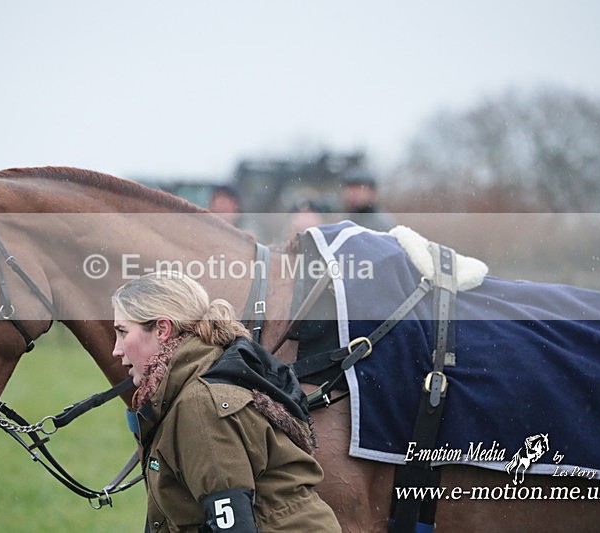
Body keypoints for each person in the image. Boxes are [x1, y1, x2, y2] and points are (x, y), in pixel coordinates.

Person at [112, 272, 341, 532]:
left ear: (162, 330)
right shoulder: (183, 389)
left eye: (122, 332)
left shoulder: (199, 405)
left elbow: (233, 527)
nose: (116, 350)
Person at [339, 168, 396, 232]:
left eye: (358, 189)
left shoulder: (380, 225)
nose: (353, 194)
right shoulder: (344, 218)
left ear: (372, 193)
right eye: (350, 189)